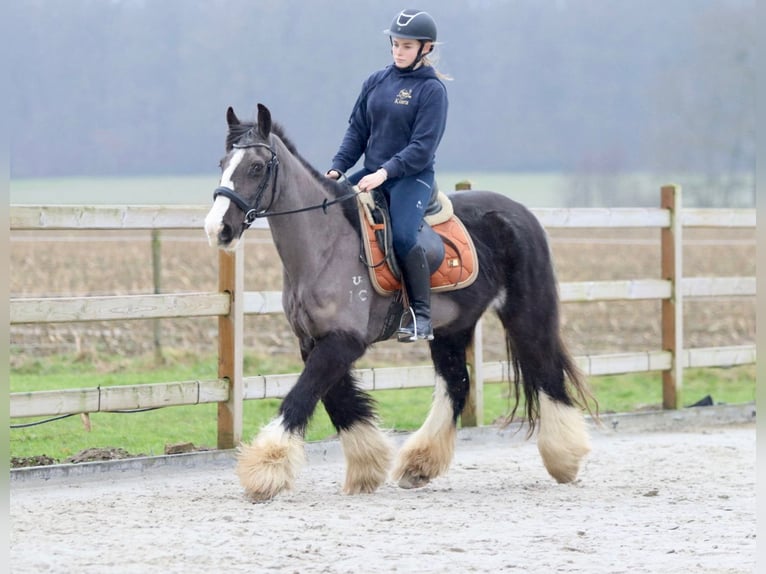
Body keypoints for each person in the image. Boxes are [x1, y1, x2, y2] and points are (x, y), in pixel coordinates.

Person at [326, 8, 449, 342]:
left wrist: (384, 173)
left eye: (407, 46)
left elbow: (421, 148)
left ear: (426, 48)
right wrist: (337, 168)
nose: (398, 51)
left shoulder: (432, 91)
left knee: (405, 237)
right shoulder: (376, 82)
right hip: (371, 171)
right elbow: (357, 132)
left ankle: (421, 316)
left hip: (412, 177)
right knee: (328, 209)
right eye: (395, 44)